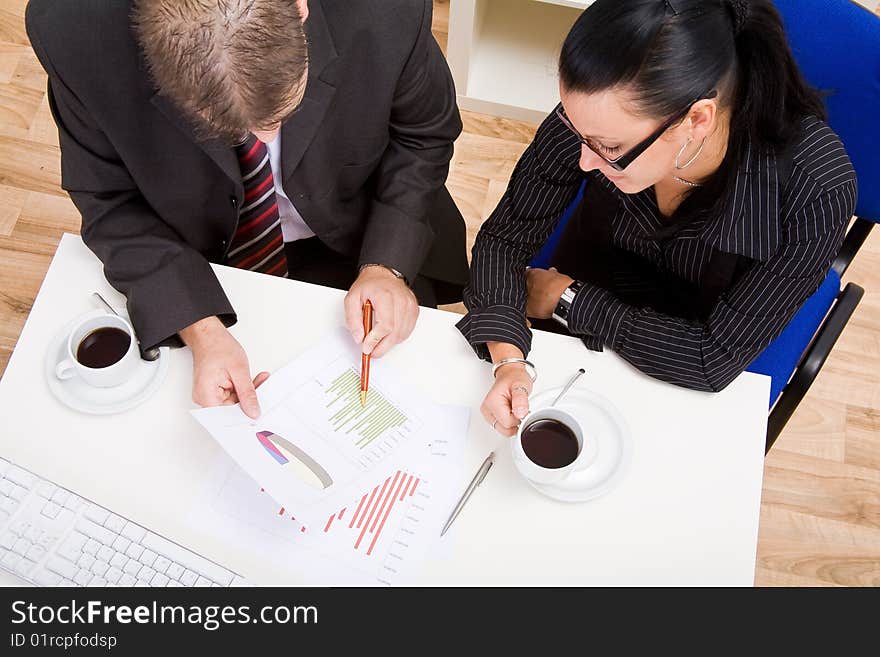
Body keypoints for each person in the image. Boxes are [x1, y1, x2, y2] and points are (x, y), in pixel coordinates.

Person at [26, 0, 468, 418]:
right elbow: (108, 199)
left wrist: (386, 266)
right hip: (199, 258)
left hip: (364, 228)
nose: (266, 139)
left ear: (299, 8)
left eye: (280, 115)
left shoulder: (385, 9)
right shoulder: (71, 29)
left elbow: (424, 133)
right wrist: (199, 326)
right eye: (235, 129)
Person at [457, 0, 857, 436]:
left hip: (692, 336)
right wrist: (510, 360)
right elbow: (503, 242)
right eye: (577, 132)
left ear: (697, 119)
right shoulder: (596, 118)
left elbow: (710, 359)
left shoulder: (817, 188)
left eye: (609, 148)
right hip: (594, 272)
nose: (586, 161)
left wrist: (569, 299)